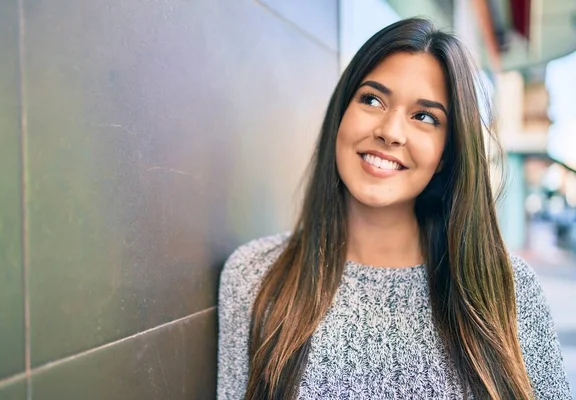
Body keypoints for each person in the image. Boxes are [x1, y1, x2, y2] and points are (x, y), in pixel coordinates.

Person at [217, 18, 572, 400]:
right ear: (341, 115)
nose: (390, 131)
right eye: (372, 99)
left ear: (445, 154)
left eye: (425, 117)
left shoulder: (506, 288)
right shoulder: (255, 274)